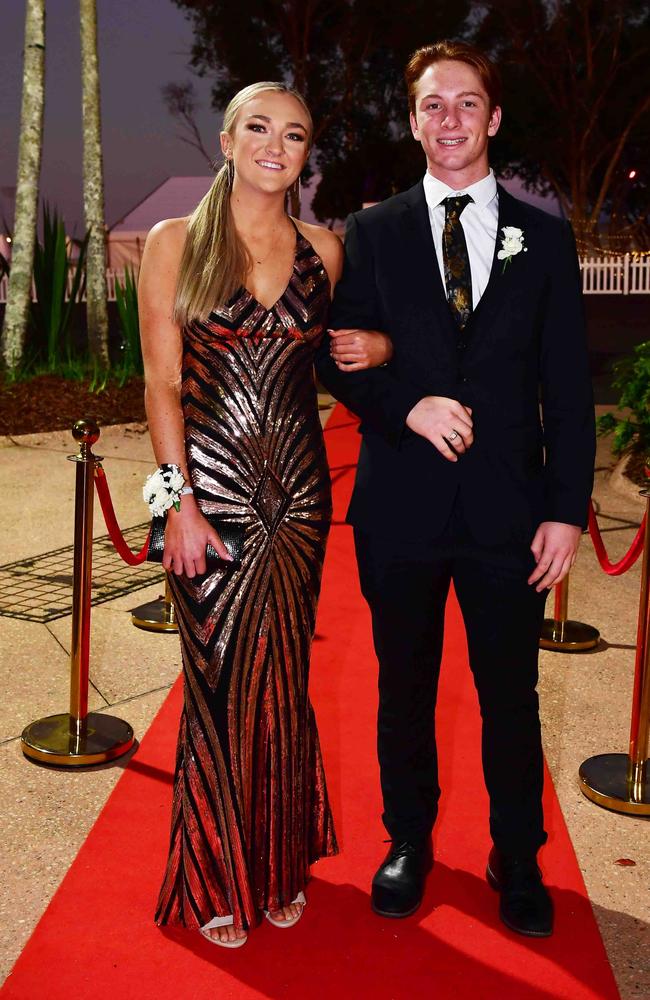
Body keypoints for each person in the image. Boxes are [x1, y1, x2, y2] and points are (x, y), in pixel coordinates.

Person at [315, 41, 595, 938]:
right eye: (432, 105)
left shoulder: (544, 239)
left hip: (509, 513)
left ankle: (516, 853)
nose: (449, 120)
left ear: (494, 119)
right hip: (400, 508)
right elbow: (342, 358)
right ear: (411, 120)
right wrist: (409, 406)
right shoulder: (372, 232)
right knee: (403, 688)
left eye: (466, 103)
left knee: (511, 694)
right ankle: (409, 840)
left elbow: (570, 387)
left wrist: (564, 508)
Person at [138, 81, 392, 948]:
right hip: (207, 504)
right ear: (226, 138)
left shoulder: (326, 247)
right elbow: (161, 383)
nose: (275, 145)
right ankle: (216, 869)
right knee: (215, 689)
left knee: (280, 683)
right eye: (258, 127)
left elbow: (352, 359)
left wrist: (384, 347)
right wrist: (176, 504)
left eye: (293, 133)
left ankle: (280, 865)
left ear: (305, 149)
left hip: (299, 502)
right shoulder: (176, 242)